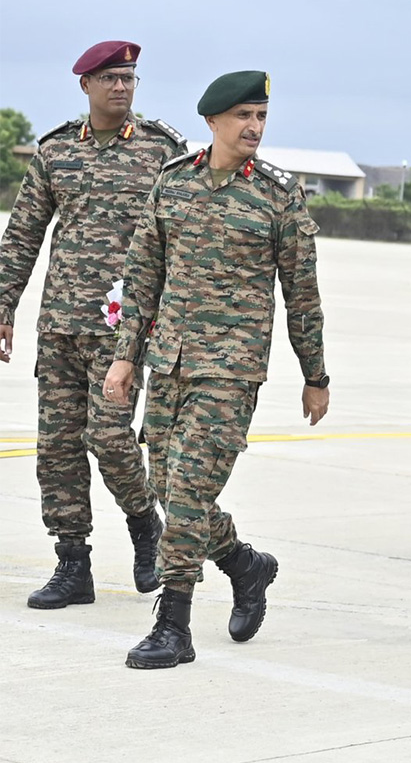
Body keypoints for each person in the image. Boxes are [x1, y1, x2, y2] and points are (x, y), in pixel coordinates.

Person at [104, 70, 330, 668]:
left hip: (231, 370)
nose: (254, 126)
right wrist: (126, 356)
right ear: (213, 121)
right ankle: (244, 565)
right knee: (168, 489)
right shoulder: (172, 184)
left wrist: (316, 375)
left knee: (186, 493)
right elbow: (144, 275)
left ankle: (174, 627)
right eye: (243, 117)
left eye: (261, 116)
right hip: (170, 361)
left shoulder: (279, 195)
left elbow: (302, 293)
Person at [0, 41, 184, 609]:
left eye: (129, 77)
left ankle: (143, 524)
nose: (122, 87)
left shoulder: (162, 151)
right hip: (59, 322)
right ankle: (72, 562)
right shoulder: (56, 152)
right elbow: (25, 233)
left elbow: (182, 234)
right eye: (109, 78)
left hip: (124, 328)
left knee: (107, 437)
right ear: (85, 86)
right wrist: (3, 304)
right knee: (56, 446)